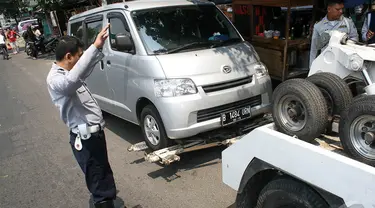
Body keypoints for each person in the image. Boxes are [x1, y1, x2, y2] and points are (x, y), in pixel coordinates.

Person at [46, 24, 118, 208]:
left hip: (93, 135)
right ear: (68, 56)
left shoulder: (70, 72)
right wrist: (93, 47)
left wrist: (97, 48)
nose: (80, 60)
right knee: (98, 180)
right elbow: (72, 82)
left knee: (103, 174)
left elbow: (82, 72)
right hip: (84, 138)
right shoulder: (56, 79)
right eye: (79, 56)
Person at [309, 0, 359, 67]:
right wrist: (311, 68)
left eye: (342, 9)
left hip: (344, 63)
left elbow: (355, 39)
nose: (341, 11)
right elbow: (314, 49)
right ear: (329, 9)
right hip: (326, 63)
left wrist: (346, 42)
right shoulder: (318, 26)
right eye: (338, 9)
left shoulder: (348, 22)